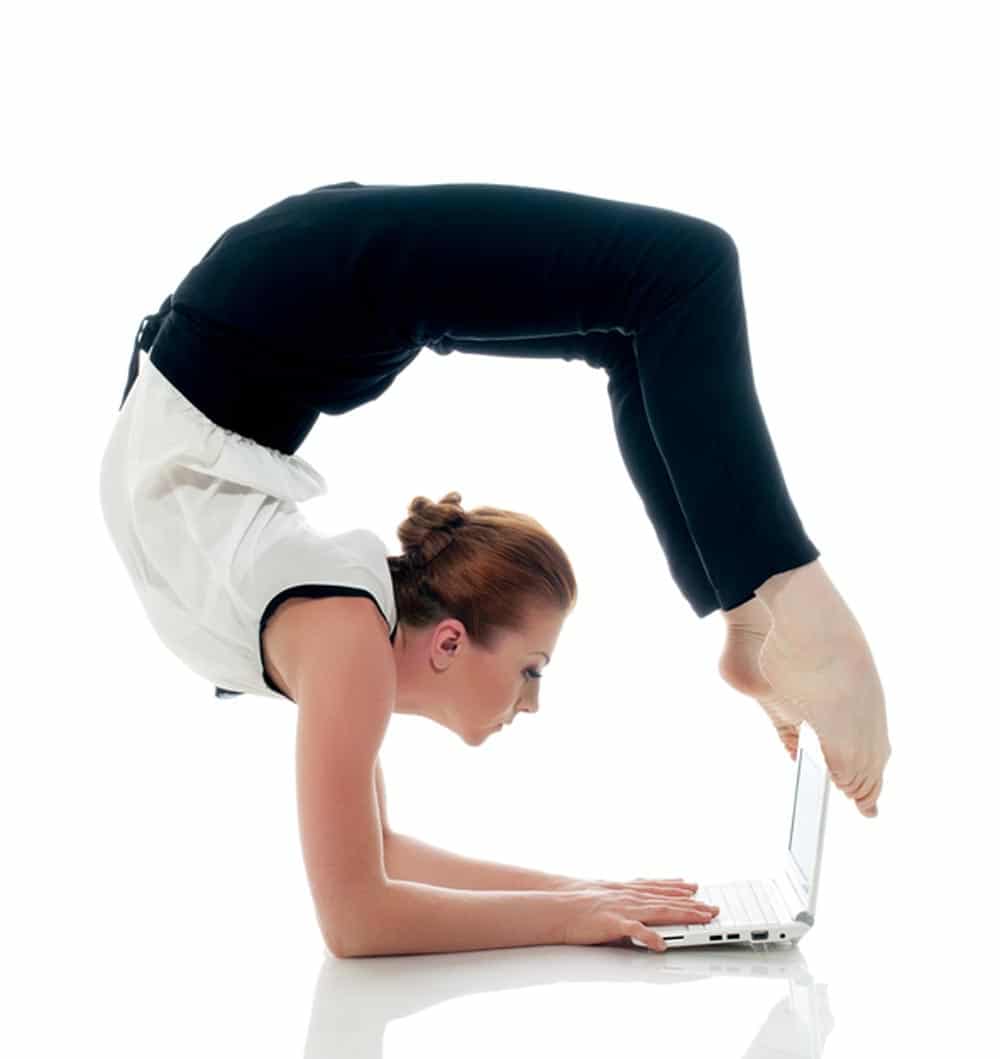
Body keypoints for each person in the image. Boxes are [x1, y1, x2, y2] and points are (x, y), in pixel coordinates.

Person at [100, 180, 890, 954]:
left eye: (534, 671)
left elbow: (378, 871)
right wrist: (574, 914)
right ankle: (772, 600)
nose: (533, 700)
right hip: (274, 305)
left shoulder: (341, 633)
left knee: (666, 290)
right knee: (676, 276)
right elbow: (358, 914)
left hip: (266, 309)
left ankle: (765, 608)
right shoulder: (344, 630)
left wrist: (583, 896)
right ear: (446, 640)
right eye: (533, 668)